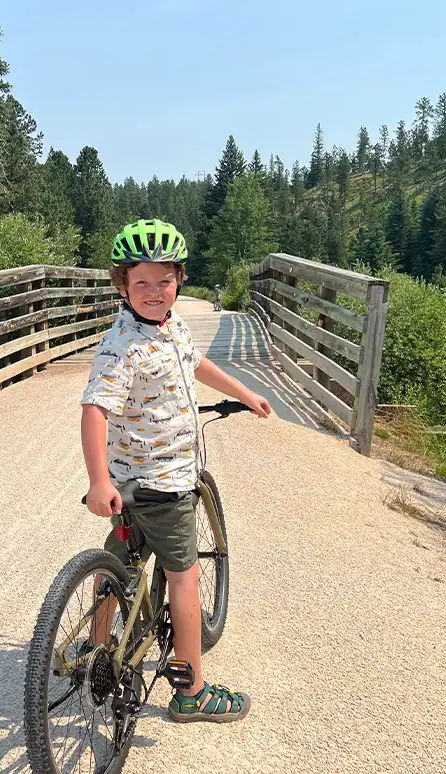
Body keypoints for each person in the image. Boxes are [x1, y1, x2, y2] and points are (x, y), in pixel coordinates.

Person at [80, 218, 272, 723]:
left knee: (116, 566)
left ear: (180, 279)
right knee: (183, 577)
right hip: (164, 484)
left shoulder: (173, 327)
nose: (153, 291)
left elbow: (195, 364)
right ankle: (192, 692)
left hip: (132, 486)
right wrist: (97, 480)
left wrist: (244, 392)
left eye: (164, 280)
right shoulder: (121, 345)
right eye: (140, 281)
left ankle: (95, 649)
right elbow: (95, 409)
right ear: (121, 285)